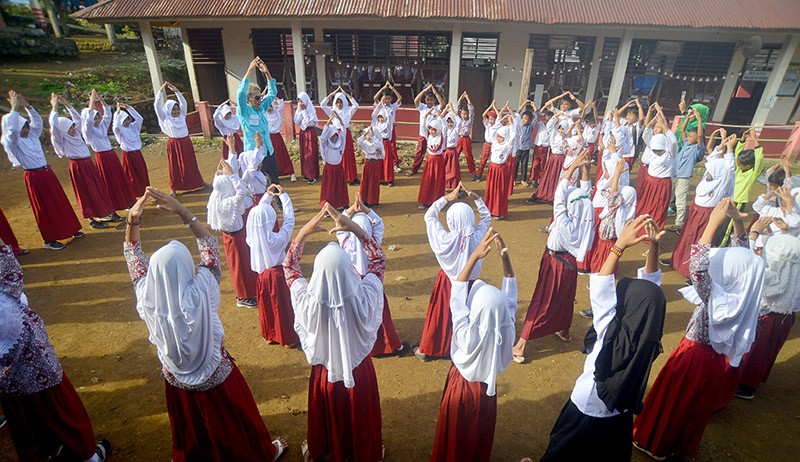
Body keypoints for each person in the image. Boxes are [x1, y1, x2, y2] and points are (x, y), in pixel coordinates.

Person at [123, 187, 288, 461]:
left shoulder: (146, 295)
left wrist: (133, 221)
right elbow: (209, 247)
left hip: (176, 379)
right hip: (215, 376)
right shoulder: (201, 291)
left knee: (192, 431)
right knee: (235, 424)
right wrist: (183, 212)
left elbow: (133, 256)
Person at [633, 198, 765, 461]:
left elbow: (698, 269)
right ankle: (680, 448)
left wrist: (712, 224)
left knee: (675, 402)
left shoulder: (717, 299)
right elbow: (743, 257)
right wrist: (737, 221)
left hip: (693, 358)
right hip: (713, 363)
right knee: (694, 407)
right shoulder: (741, 292)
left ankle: (655, 443)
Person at [541, 217, 667, 461]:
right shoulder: (649, 334)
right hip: (619, 411)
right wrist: (654, 247)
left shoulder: (610, 333)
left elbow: (600, 288)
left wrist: (618, 247)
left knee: (560, 453)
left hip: (586, 407)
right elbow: (651, 294)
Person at [284, 204, 385, 462]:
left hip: (325, 372)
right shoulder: (365, 296)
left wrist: (302, 234)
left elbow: (290, 268)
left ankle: (325, 449)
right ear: (350, 269)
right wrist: (355, 229)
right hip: (358, 370)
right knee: (360, 412)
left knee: (327, 411)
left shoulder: (308, 302)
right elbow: (377, 260)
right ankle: (366, 453)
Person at [0, 234, 112, 462]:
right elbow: (8, 263)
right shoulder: (7, 297)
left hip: (8, 385)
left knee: (27, 426)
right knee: (63, 416)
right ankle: (87, 457)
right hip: (40, 373)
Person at [430, 228, 516, 462]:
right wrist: (505, 259)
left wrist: (474, 256)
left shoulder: (465, 335)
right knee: (478, 433)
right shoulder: (506, 331)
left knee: (456, 433)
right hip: (486, 391)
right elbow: (509, 300)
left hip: (461, 389)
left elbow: (457, 293)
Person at [513, 152, 594, 361]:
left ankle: (521, 344)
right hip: (570, 264)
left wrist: (574, 165)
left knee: (542, 300)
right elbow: (585, 192)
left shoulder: (564, 220)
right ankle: (563, 330)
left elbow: (559, 192)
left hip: (554, 262)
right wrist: (585, 168)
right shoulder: (584, 213)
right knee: (565, 299)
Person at [416, 183, 491, 361]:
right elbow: (486, 217)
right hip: (469, 284)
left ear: (450, 221)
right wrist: (477, 199)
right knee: (467, 315)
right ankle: (462, 347)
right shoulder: (478, 236)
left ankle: (430, 348)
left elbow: (429, 216)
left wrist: (446, 199)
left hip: (447, 282)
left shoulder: (444, 239)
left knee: (441, 314)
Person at [2, 90, 83, 251]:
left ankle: (70, 228)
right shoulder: (13, 142)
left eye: (26, 126)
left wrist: (27, 106)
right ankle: (50, 239)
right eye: (23, 127)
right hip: (34, 177)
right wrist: (14, 108)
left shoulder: (32, 135)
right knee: (45, 208)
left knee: (59, 202)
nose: (27, 129)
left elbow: (38, 122)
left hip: (46, 173)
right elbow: (12, 132)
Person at [336, 194, 408, 357]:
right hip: (372, 283)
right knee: (379, 314)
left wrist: (351, 210)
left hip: (352, 284)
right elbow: (379, 223)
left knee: (355, 315)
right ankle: (385, 346)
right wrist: (366, 210)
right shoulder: (374, 246)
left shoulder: (345, 242)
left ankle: (357, 345)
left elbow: (339, 223)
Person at [735, 224, 800, 399]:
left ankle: (745, 385)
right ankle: (750, 383)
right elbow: (787, 251)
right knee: (766, 352)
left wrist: (754, 235)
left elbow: (749, 265)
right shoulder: (794, 271)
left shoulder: (773, 277)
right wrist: (778, 234)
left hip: (767, 318)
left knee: (756, 353)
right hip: (785, 319)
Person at [670, 135, 737, 278]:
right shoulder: (708, 178)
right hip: (695, 211)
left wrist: (730, 149)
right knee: (687, 237)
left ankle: (694, 273)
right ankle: (677, 262)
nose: (708, 172)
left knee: (700, 241)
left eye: (711, 171)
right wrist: (722, 145)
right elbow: (711, 159)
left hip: (706, 215)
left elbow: (729, 169)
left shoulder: (722, 182)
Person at [49, 93, 117, 230]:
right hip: (78, 167)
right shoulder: (61, 139)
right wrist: (54, 106)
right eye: (70, 128)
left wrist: (66, 104)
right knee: (85, 192)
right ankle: (91, 219)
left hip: (88, 164)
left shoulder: (77, 134)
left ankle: (104, 212)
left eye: (73, 126)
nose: (73, 129)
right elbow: (54, 126)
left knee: (97, 188)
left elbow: (77, 118)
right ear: (63, 131)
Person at [247, 183, 298, 346]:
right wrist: (284, 197)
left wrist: (267, 196)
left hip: (262, 277)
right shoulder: (276, 240)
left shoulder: (251, 239)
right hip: (278, 276)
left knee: (267, 306)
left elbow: (259, 216)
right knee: (283, 307)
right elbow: (289, 221)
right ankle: (288, 338)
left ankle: (270, 335)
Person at [206, 148, 258, 308]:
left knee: (242, 266)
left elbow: (221, 178)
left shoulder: (217, 195)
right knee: (240, 268)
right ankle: (244, 297)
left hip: (233, 236)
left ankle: (247, 292)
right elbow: (241, 192)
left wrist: (231, 152)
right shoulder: (226, 203)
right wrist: (233, 175)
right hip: (235, 238)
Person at [81, 89, 136, 212]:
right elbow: (88, 120)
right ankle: (116, 204)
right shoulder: (87, 132)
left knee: (119, 179)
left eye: (98, 117)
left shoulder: (102, 126)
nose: (97, 120)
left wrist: (100, 99)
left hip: (111, 155)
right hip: (102, 158)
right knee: (110, 181)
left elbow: (108, 113)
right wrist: (91, 100)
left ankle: (127, 201)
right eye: (95, 118)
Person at [154, 82, 206, 195]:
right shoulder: (165, 117)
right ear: (168, 110)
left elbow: (183, 103)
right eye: (173, 110)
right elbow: (157, 106)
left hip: (186, 142)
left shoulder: (182, 115)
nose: (176, 111)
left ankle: (199, 182)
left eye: (177, 109)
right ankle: (173, 188)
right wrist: (160, 92)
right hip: (174, 144)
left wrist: (176, 91)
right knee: (175, 166)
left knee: (191, 163)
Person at [237, 57, 279, 185]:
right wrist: (250, 70)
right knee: (257, 184)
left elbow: (272, 93)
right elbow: (240, 93)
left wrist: (266, 73)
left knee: (274, 182)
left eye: (260, 97)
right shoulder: (244, 111)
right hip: (255, 154)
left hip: (269, 151)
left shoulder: (261, 108)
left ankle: (278, 198)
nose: (260, 100)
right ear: (249, 98)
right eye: (257, 98)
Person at [719, 128, 764, 246]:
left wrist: (755, 139)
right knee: (721, 222)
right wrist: (743, 139)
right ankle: (718, 241)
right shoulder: (739, 169)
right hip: (729, 198)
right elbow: (738, 153)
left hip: (738, 202)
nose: (737, 165)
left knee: (728, 227)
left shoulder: (752, 174)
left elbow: (759, 159)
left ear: (748, 166)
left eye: (740, 164)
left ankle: (722, 245)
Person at [670, 107, 706, 232]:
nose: (689, 138)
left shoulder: (697, 149)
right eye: (689, 136)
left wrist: (699, 119)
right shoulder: (686, 143)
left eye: (692, 137)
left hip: (683, 177)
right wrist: (687, 117)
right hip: (675, 173)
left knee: (680, 200)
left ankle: (679, 223)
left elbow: (700, 135)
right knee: (670, 196)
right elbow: (682, 130)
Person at [322, 86, 360, 185]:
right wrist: (332, 94)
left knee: (348, 155)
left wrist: (346, 94)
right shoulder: (332, 112)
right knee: (338, 154)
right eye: (337, 102)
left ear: (344, 102)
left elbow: (356, 105)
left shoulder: (348, 111)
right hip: (335, 135)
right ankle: (340, 176)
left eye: (341, 102)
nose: (339, 104)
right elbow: (323, 105)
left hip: (345, 133)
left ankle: (352, 176)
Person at [112, 101, 150, 197]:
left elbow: (140, 118)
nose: (127, 121)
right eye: (124, 120)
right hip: (128, 156)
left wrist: (129, 108)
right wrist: (117, 113)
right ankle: (132, 194)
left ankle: (146, 192)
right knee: (130, 175)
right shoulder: (119, 131)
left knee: (142, 173)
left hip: (137, 154)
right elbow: (115, 127)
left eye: (128, 119)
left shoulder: (134, 127)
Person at [407, 84, 445, 176]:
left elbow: (443, 104)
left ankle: (437, 169)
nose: (429, 102)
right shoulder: (422, 107)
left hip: (434, 135)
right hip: (423, 134)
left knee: (435, 152)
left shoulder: (436, 108)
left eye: (431, 100)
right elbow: (416, 100)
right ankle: (414, 169)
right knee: (420, 152)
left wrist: (435, 93)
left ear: (434, 101)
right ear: (425, 100)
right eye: (428, 100)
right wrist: (424, 91)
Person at [484, 116, 516, 220]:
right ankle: (490, 209)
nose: (498, 138)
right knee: (491, 189)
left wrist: (511, 125)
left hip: (500, 170)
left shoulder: (506, 146)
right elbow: (493, 130)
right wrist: (500, 121)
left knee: (499, 191)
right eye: (498, 136)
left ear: (505, 138)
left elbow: (513, 137)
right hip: (492, 169)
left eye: (501, 137)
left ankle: (499, 212)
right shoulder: (495, 143)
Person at [417, 111, 448, 209]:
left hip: (438, 161)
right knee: (428, 180)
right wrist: (425, 117)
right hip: (430, 161)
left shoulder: (442, 136)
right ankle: (425, 201)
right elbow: (422, 128)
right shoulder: (428, 137)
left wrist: (441, 117)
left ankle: (437, 202)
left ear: (438, 129)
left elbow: (445, 127)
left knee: (437, 181)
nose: (431, 131)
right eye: (430, 129)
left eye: (434, 130)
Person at [319, 115, 350, 209]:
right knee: (329, 188)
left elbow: (343, 134)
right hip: (329, 169)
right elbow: (322, 138)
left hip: (338, 169)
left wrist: (340, 120)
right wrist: (328, 123)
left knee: (340, 187)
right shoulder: (326, 145)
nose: (334, 138)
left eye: (336, 136)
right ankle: (328, 206)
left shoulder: (340, 144)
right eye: (332, 136)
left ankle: (343, 203)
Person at [373, 81, 403, 177]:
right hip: (380, 129)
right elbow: (375, 98)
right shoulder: (380, 106)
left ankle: (395, 164)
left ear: (391, 99)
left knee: (392, 147)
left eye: (389, 98)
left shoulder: (393, 106)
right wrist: (383, 88)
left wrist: (392, 88)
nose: (387, 100)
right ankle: (381, 164)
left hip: (390, 128)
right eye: (385, 98)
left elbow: (400, 98)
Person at [266, 97, 297, 182]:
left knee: (282, 155)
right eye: (267, 106)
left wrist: (273, 96)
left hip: (277, 138)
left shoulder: (277, 113)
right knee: (270, 157)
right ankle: (272, 174)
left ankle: (291, 172)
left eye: (270, 106)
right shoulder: (264, 115)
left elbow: (281, 105)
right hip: (268, 138)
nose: (269, 108)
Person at [294, 92, 320, 183]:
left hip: (310, 133)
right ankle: (306, 174)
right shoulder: (299, 110)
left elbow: (310, 123)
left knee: (310, 153)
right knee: (304, 153)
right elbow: (297, 121)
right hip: (303, 133)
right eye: (299, 101)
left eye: (302, 101)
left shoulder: (311, 110)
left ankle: (312, 175)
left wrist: (304, 112)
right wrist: (301, 112)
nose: (301, 103)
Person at [356, 125, 385, 207]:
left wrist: (373, 136)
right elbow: (359, 142)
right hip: (367, 163)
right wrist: (364, 134)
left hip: (375, 164)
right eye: (367, 135)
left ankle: (373, 201)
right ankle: (364, 200)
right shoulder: (365, 143)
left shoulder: (378, 144)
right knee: (365, 181)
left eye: (369, 134)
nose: (368, 136)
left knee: (374, 182)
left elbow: (379, 147)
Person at [528, 108, 554, 188]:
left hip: (546, 148)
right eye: (546, 117)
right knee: (535, 163)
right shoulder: (540, 124)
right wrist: (541, 108)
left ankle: (540, 179)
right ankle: (533, 178)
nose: (547, 119)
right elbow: (537, 115)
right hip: (538, 146)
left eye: (550, 118)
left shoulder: (553, 127)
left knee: (543, 164)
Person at [475, 102, 500, 182]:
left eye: (492, 119)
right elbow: (483, 115)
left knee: (493, 161)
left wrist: (494, 107)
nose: (490, 120)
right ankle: (478, 175)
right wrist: (490, 106)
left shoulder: (497, 125)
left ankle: (491, 176)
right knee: (483, 160)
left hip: (494, 145)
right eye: (489, 118)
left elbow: (499, 116)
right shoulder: (487, 124)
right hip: (487, 144)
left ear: (495, 119)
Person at [454, 91, 477, 179]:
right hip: (458, 138)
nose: (464, 116)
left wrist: (467, 98)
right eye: (462, 114)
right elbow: (456, 109)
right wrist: (460, 98)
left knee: (468, 156)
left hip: (466, 139)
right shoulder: (458, 119)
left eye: (465, 114)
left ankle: (473, 172)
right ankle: (453, 170)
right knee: (455, 154)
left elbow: (471, 110)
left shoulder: (470, 120)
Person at [371, 101, 395, 186]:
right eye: (379, 117)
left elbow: (389, 116)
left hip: (385, 143)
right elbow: (373, 115)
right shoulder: (376, 124)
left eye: (382, 117)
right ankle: (379, 178)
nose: (381, 119)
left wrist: (384, 108)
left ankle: (389, 179)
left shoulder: (388, 124)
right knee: (378, 160)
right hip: (378, 143)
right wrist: (379, 105)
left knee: (387, 161)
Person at [515, 101, 536, 185]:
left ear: (530, 121)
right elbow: (517, 114)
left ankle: (523, 180)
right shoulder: (519, 125)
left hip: (526, 149)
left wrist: (534, 107)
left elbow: (537, 118)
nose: (523, 120)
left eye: (526, 119)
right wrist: (523, 105)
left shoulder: (530, 127)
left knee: (524, 164)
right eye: (522, 118)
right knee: (516, 164)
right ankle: (514, 179)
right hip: (518, 148)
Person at [442, 106, 461, 190]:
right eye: (448, 122)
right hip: (445, 152)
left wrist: (453, 111)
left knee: (453, 170)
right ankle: (445, 185)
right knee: (445, 169)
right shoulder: (444, 130)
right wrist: (446, 109)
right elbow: (440, 119)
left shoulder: (456, 130)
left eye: (451, 122)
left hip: (452, 152)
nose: (449, 124)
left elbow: (459, 122)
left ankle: (453, 185)